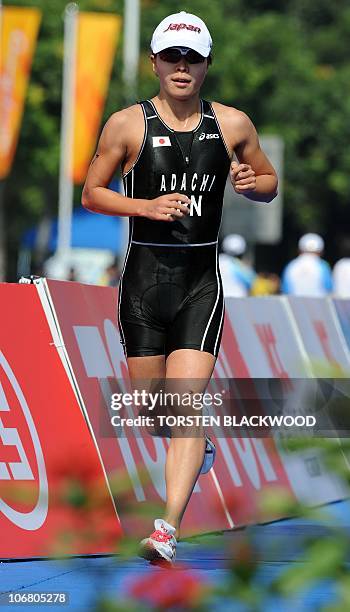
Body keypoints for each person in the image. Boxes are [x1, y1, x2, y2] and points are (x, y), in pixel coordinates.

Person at [82, 10, 278, 564]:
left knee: (186, 405)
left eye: (192, 57)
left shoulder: (233, 125)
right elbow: (92, 194)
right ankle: (199, 450)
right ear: (155, 62)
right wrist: (144, 206)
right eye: (172, 56)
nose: (182, 66)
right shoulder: (127, 124)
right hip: (144, 283)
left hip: (199, 284)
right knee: (152, 412)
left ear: (208, 64)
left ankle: (167, 529)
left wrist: (250, 182)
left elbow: (268, 181)